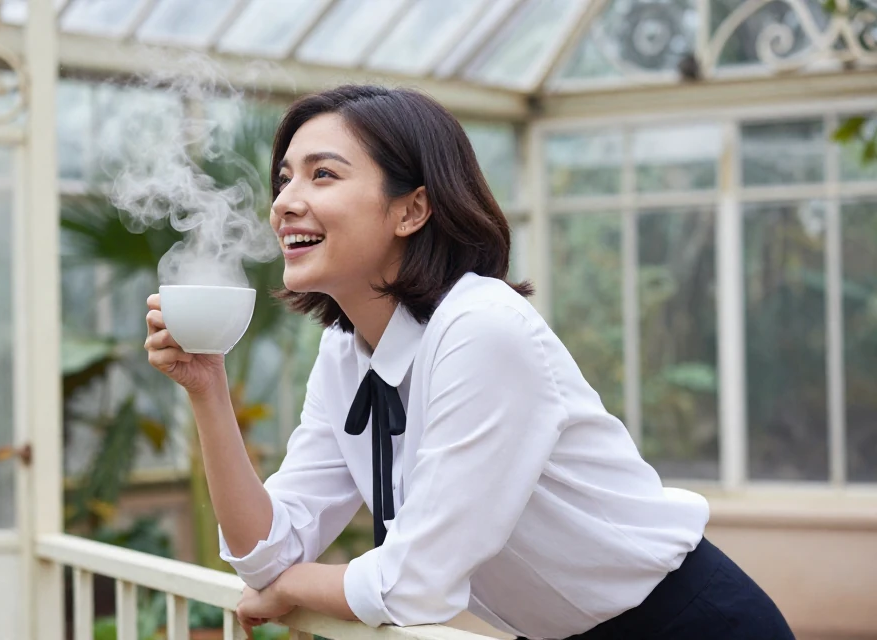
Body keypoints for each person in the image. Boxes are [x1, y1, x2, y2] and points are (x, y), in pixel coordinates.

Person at [143, 85, 794, 640]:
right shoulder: (346, 354)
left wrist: (293, 590)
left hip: (688, 624)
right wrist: (207, 389)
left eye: (323, 174)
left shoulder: (481, 330)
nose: (285, 200)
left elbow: (417, 581)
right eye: (284, 177)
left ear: (413, 208)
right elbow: (269, 551)